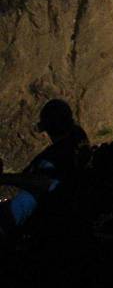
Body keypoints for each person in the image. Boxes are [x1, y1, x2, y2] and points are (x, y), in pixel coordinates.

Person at [0, 99, 89, 233]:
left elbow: (42, 182)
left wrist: (5, 178)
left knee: (26, 199)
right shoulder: (77, 137)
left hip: (53, 207)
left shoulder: (57, 154)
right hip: (70, 201)